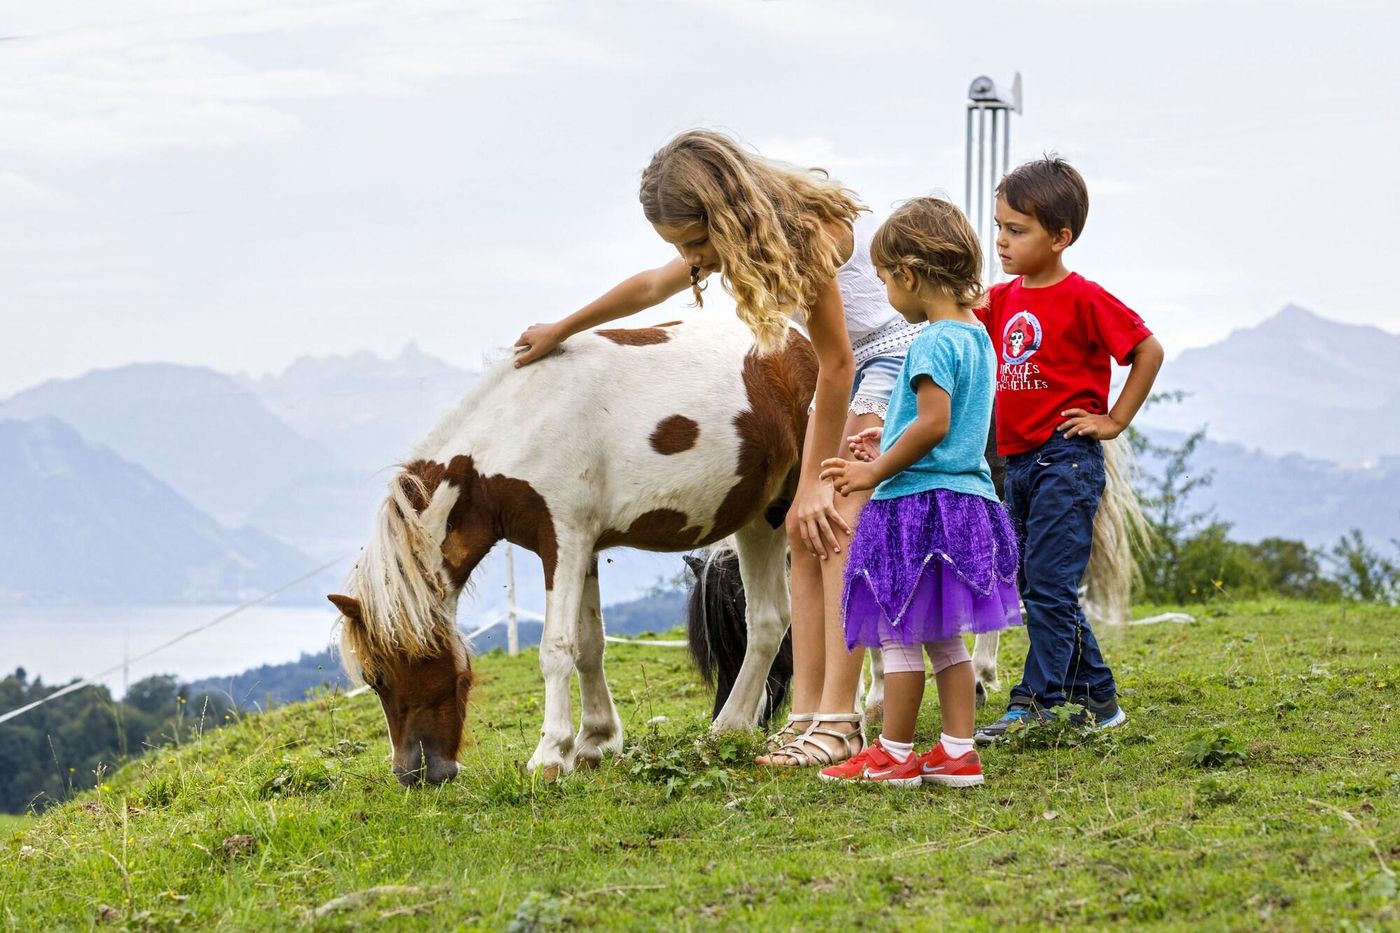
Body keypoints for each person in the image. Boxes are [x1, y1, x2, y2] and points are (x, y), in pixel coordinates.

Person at [513, 130, 924, 766]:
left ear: (727, 214)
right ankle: (812, 713)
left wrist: (818, 480)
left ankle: (841, 721)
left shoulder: (806, 236)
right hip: (832, 369)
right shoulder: (736, 239)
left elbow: (843, 362)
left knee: (834, 525)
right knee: (802, 534)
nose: (693, 259)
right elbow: (652, 286)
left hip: (881, 363)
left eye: (697, 243)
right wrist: (564, 327)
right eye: (682, 248)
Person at [816, 197, 1020, 786]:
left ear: (907, 275)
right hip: (965, 501)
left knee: (898, 635)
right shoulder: (976, 334)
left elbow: (932, 424)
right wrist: (891, 431)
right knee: (944, 639)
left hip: (917, 505)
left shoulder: (927, 341)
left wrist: (872, 472)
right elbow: (948, 421)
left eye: (882, 280)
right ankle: (957, 750)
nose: (884, 294)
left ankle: (895, 753)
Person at [973, 157, 1164, 744]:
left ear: (1061, 238)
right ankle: (1100, 700)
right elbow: (952, 321)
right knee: (1037, 585)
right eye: (999, 226)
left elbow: (1148, 351)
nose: (1002, 241)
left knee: (1049, 588)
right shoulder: (1001, 299)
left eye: (1017, 230)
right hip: (1019, 464)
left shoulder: (1084, 298)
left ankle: (1036, 701)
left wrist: (1113, 420)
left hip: (1067, 459)